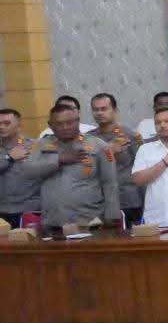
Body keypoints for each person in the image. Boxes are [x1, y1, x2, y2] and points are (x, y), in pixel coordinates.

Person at [25, 103, 119, 232]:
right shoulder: (40, 145)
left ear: (78, 121)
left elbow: (110, 183)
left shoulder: (99, 146)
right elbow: (27, 171)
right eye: (59, 124)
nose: (65, 127)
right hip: (53, 221)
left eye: (69, 122)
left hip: (89, 221)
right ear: (50, 125)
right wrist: (59, 160)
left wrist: (112, 216)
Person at [86, 93, 142, 225]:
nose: (99, 113)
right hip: (99, 201)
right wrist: (108, 151)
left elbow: (142, 167)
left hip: (128, 200)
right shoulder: (88, 139)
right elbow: (85, 169)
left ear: (115, 110)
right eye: (95, 109)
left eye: (104, 109)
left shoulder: (130, 135)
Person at [0, 107, 43, 227]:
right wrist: (9, 157)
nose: (1, 127)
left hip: (29, 210)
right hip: (2, 211)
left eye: (6, 123)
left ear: (18, 125)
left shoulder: (36, 146)